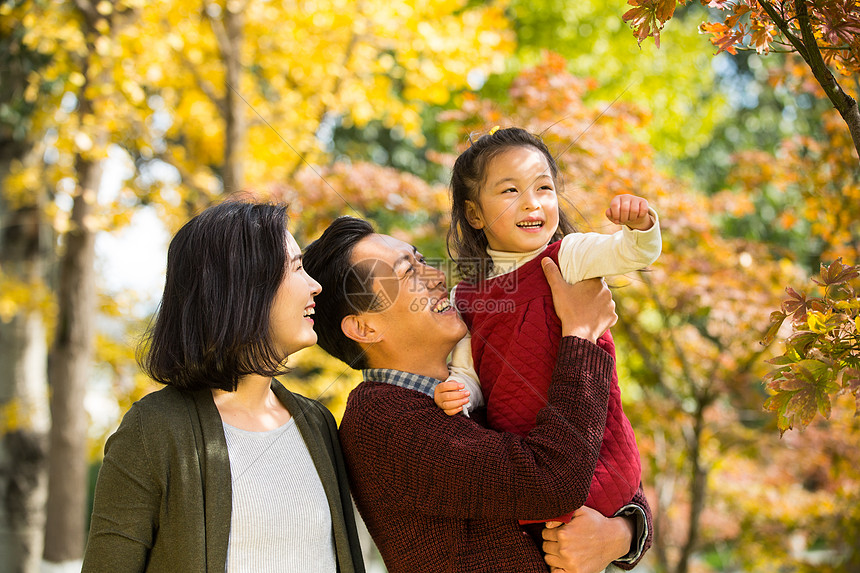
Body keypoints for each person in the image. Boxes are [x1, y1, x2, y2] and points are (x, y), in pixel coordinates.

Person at [302, 216, 652, 573]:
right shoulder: (380, 422)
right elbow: (551, 481)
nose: (436, 276)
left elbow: (608, 462)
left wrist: (621, 533)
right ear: (365, 327)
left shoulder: (476, 375)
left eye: (421, 260)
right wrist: (581, 334)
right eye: (409, 273)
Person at [82, 200, 365, 573]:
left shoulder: (317, 423)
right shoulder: (152, 432)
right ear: (246, 284)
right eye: (296, 268)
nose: (315, 285)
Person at [435, 126, 661, 525]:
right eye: (510, 191)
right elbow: (469, 375)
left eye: (543, 188)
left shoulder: (569, 257)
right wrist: (459, 393)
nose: (531, 204)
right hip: (528, 461)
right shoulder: (466, 298)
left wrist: (640, 225)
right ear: (474, 214)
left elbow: (629, 253)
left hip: (595, 453)